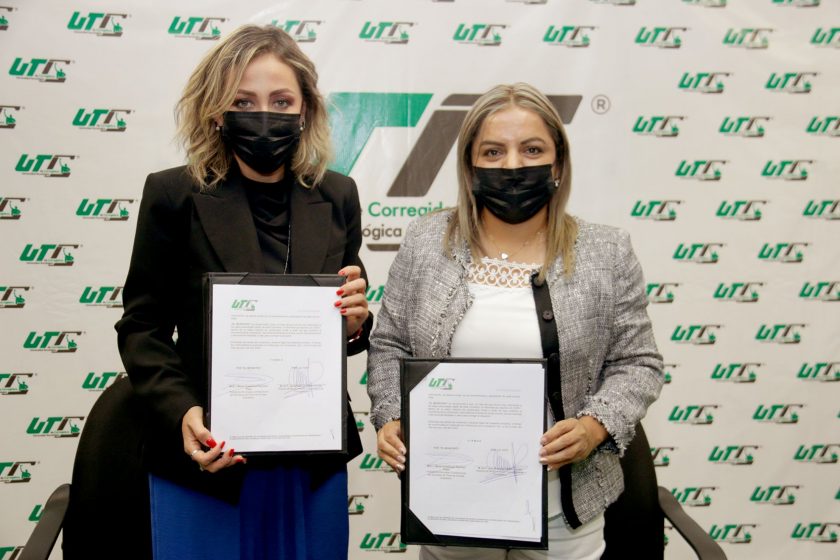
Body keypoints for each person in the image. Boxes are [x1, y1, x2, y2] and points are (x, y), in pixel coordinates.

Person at [366, 83, 663, 559]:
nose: (512, 165)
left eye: (532, 149)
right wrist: (391, 415)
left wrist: (594, 426)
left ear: (558, 163)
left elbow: (638, 363)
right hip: (451, 503)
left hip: (564, 511)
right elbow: (389, 345)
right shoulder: (425, 241)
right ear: (470, 166)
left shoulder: (606, 251)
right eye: (493, 151)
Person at [114, 24, 371, 559]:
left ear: (305, 111)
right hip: (209, 456)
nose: (265, 115)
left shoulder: (338, 195)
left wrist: (354, 322)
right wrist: (183, 412)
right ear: (216, 112)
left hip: (311, 456)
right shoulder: (173, 194)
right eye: (244, 101)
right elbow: (142, 327)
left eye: (282, 101)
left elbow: (349, 320)